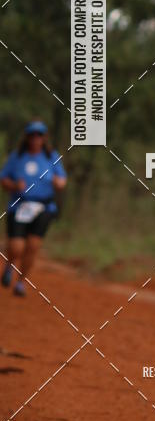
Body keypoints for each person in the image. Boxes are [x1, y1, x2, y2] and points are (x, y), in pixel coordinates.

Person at [1, 120, 67, 297]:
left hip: (43, 207)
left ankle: (21, 282)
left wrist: (57, 182)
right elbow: (3, 179)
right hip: (19, 205)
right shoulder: (17, 156)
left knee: (33, 246)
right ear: (27, 137)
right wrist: (15, 185)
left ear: (44, 138)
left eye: (39, 135)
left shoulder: (51, 157)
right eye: (32, 135)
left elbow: (62, 181)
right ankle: (9, 265)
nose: (35, 138)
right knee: (16, 247)